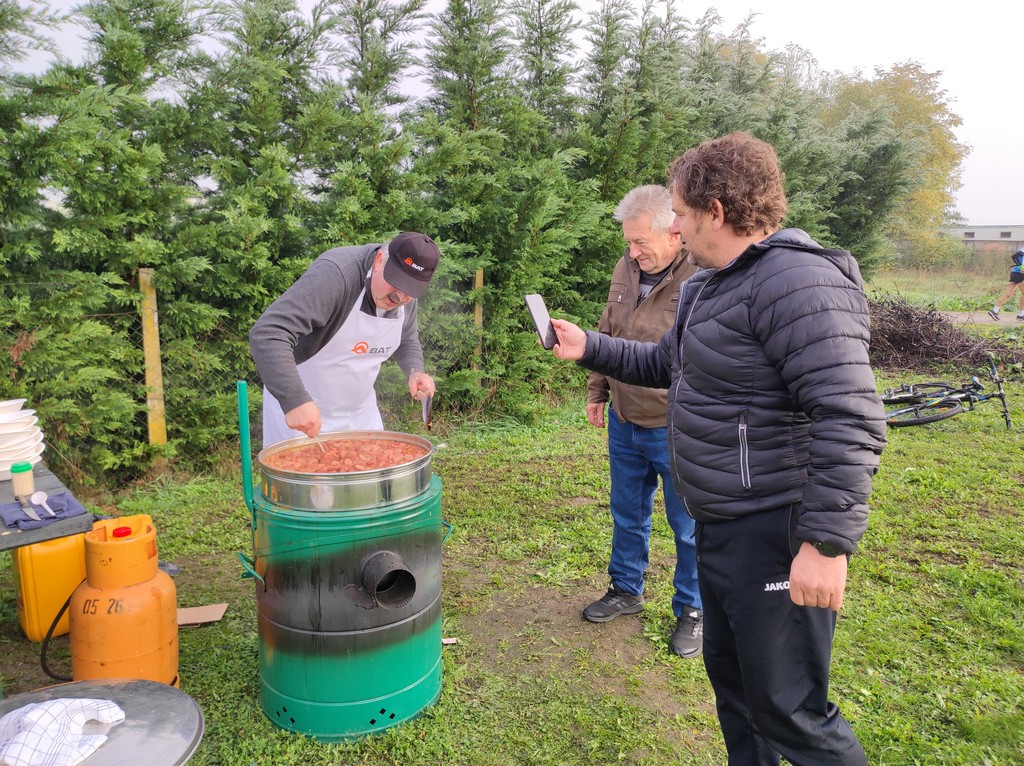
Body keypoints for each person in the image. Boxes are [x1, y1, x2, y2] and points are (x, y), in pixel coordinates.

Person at [549, 132, 886, 766]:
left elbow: (849, 415)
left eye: (678, 211)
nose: (673, 224)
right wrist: (590, 347)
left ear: (716, 212)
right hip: (723, 523)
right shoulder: (713, 285)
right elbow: (669, 362)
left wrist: (825, 544)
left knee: (791, 712)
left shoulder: (798, 282)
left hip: (777, 527)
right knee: (735, 692)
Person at [582, 184, 703, 659]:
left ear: (674, 232)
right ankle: (625, 589)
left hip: (678, 426)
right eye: (628, 243)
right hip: (624, 419)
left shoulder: (703, 274)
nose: (631, 253)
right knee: (627, 513)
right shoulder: (627, 268)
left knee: (688, 525)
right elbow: (608, 330)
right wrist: (598, 390)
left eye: (640, 243)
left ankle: (692, 611)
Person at [250, 232, 440, 446]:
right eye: (396, 282)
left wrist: (415, 370)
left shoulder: (404, 295)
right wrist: (294, 400)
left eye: (411, 290)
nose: (400, 297)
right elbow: (269, 332)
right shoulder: (336, 274)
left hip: (361, 416)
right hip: (304, 416)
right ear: (379, 261)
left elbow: (406, 338)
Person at [987, 246, 1024, 321]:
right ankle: (1021, 314)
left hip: (1015, 272)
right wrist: (1021, 267)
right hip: (1020, 273)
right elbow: (1015, 256)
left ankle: (995, 310)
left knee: (1008, 293)